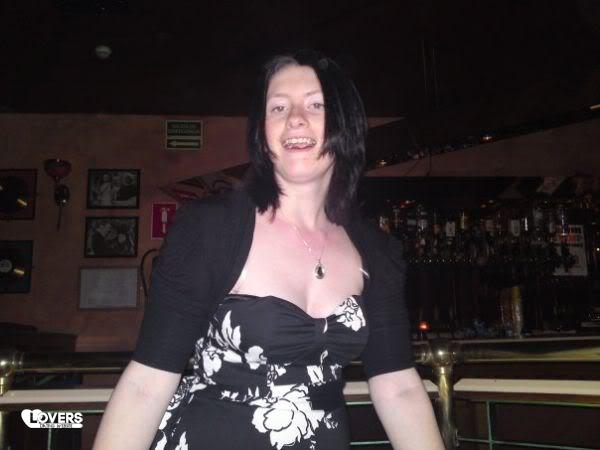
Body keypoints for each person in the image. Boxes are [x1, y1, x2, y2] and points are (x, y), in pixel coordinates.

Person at [93, 50, 444, 450]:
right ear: (262, 132)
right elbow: (145, 384)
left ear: (345, 124)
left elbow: (399, 387)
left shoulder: (376, 250)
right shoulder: (210, 228)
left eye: (316, 104)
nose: (295, 118)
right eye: (278, 107)